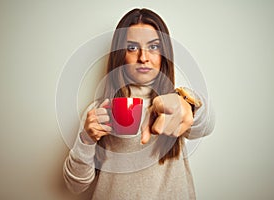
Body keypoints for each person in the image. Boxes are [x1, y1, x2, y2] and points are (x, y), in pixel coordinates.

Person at [63, 8, 215, 200]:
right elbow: (74, 186)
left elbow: (207, 124)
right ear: (120, 55)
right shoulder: (99, 112)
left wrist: (188, 105)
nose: (143, 57)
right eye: (132, 48)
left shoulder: (174, 104)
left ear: (164, 54)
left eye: (153, 47)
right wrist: (86, 140)